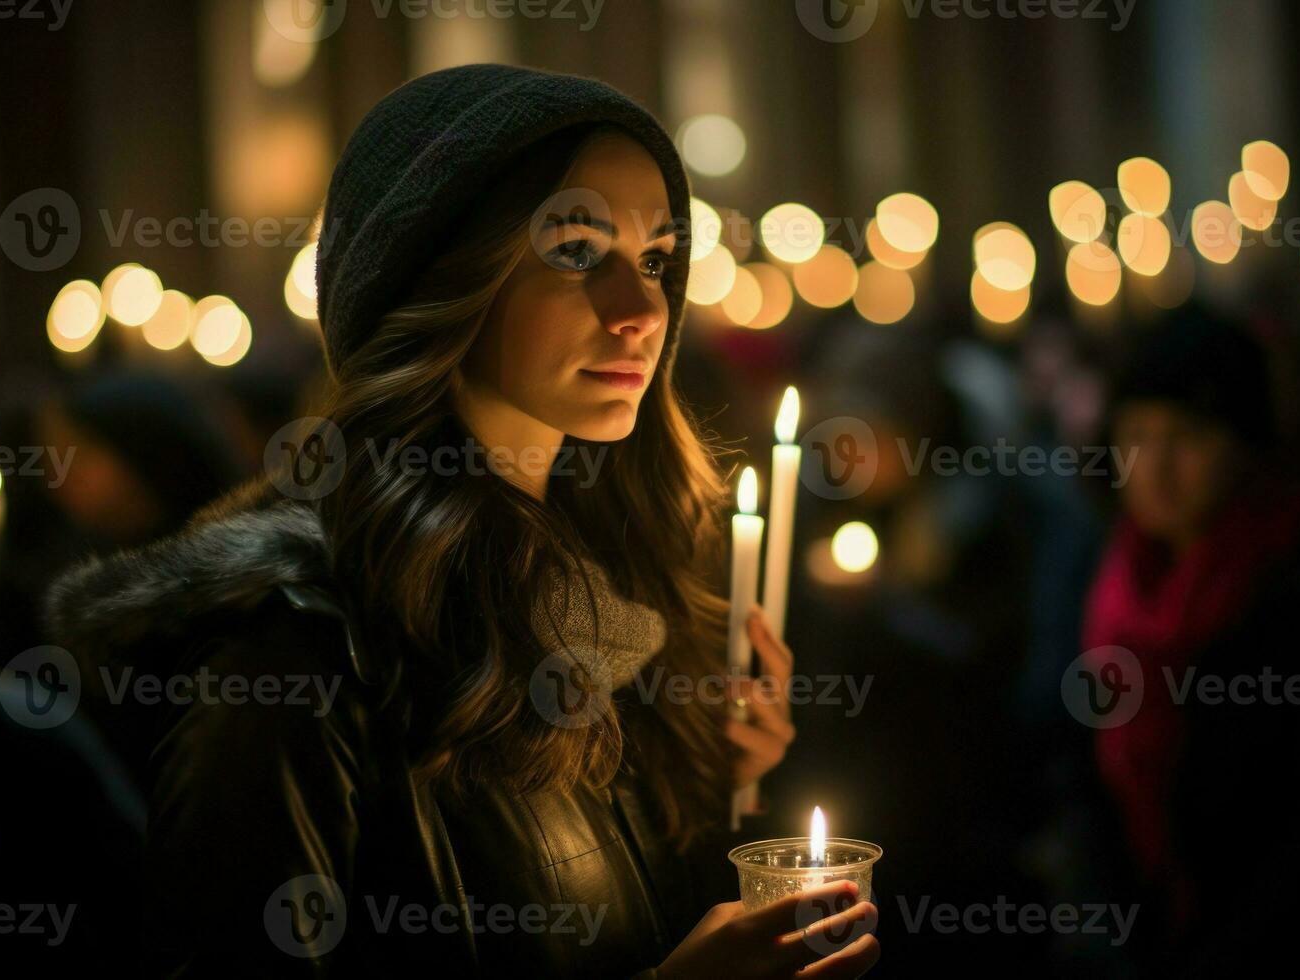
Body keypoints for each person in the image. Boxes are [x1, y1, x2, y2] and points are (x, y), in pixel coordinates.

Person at [44, 64, 881, 978]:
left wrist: (701, 784)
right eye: (574, 251)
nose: (642, 309)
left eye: (655, 258)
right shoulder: (298, 659)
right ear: (440, 279)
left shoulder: (602, 615)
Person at [1082, 305, 1300, 975]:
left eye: (1188, 435)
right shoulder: (1119, 583)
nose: (1156, 465)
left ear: (1246, 446)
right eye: (1136, 435)